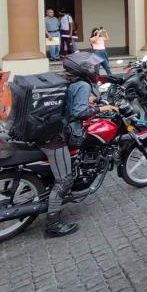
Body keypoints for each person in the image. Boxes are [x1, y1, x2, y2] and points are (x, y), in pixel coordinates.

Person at [42, 52, 119, 237]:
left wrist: (89, 101)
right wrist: (102, 108)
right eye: (90, 67)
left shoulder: (68, 80)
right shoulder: (83, 84)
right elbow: (79, 112)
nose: (93, 69)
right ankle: (53, 223)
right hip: (57, 138)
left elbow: (68, 103)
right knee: (64, 180)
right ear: (81, 69)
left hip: (48, 130)